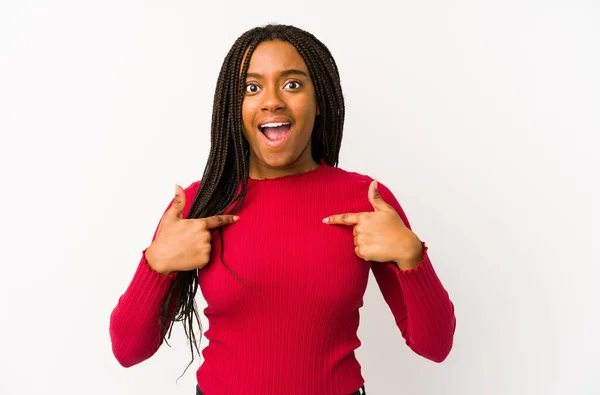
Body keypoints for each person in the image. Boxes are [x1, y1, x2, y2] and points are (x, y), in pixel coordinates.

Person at [109, 23, 456, 395]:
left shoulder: (366, 200)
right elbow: (128, 351)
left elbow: (434, 347)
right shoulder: (199, 205)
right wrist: (157, 264)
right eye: (252, 87)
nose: (271, 100)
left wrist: (411, 254)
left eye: (292, 84)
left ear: (320, 99)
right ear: (234, 105)